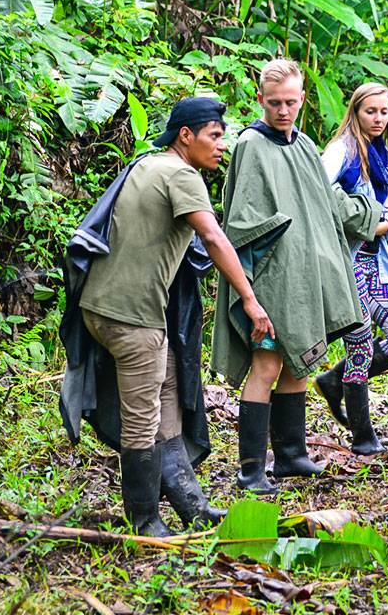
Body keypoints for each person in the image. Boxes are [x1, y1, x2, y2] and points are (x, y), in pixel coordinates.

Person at [59, 97, 275, 537]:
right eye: (214, 137)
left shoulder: (148, 164)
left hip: (100, 308)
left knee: (170, 392)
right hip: (132, 319)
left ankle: (191, 504)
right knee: (143, 417)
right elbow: (213, 239)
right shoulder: (182, 175)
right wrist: (251, 301)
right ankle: (144, 519)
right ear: (186, 136)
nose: (221, 146)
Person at [212, 59, 380, 494]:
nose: (282, 111)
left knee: (300, 363)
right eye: (274, 103)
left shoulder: (303, 144)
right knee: (267, 365)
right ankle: (251, 469)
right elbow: (241, 222)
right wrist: (256, 288)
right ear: (260, 100)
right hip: (269, 279)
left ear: (302, 100)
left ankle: (290, 455)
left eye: (290, 102)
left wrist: (371, 216)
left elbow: (327, 203)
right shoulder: (251, 145)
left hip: (306, 279)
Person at [314, 82, 388, 456]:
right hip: (345, 261)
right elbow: (317, 191)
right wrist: (365, 223)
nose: (378, 119)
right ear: (355, 112)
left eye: (384, 112)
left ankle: (333, 380)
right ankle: (363, 435)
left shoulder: (384, 154)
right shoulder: (342, 150)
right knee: (359, 339)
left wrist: (382, 225)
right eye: (370, 111)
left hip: (375, 261)